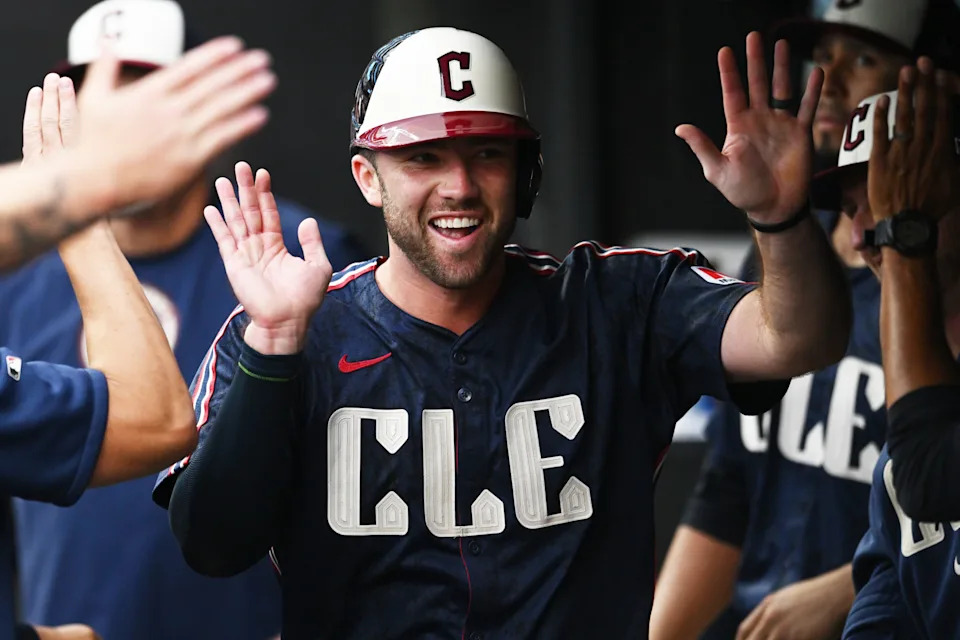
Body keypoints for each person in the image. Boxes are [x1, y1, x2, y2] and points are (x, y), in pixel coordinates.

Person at [155, 26, 851, 638]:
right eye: (422, 158)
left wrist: (780, 222)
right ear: (369, 178)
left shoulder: (617, 301)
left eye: (487, 154)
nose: (458, 185)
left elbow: (795, 342)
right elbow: (212, 546)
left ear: (526, 173)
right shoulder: (289, 331)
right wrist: (275, 342)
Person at [1, 2, 368, 639]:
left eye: (145, 92)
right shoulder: (15, 284)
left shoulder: (305, 258)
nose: (116, 124)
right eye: (95, 95)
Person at [650, 1, 960, 637]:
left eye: (866, 57)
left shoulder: (929, 278)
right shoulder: (795, 245)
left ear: (937, 83)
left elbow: (931, 490)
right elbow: (733, 479)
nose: (831, 79)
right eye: (826, 55)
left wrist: (851, 585)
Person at [809, 65, 960, 638]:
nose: (863, 235)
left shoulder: (921, 419)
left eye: (887, 197)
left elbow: (929, 474)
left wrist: (907, 233)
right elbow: (890, 594)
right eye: (855, 209)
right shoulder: (920, 390)